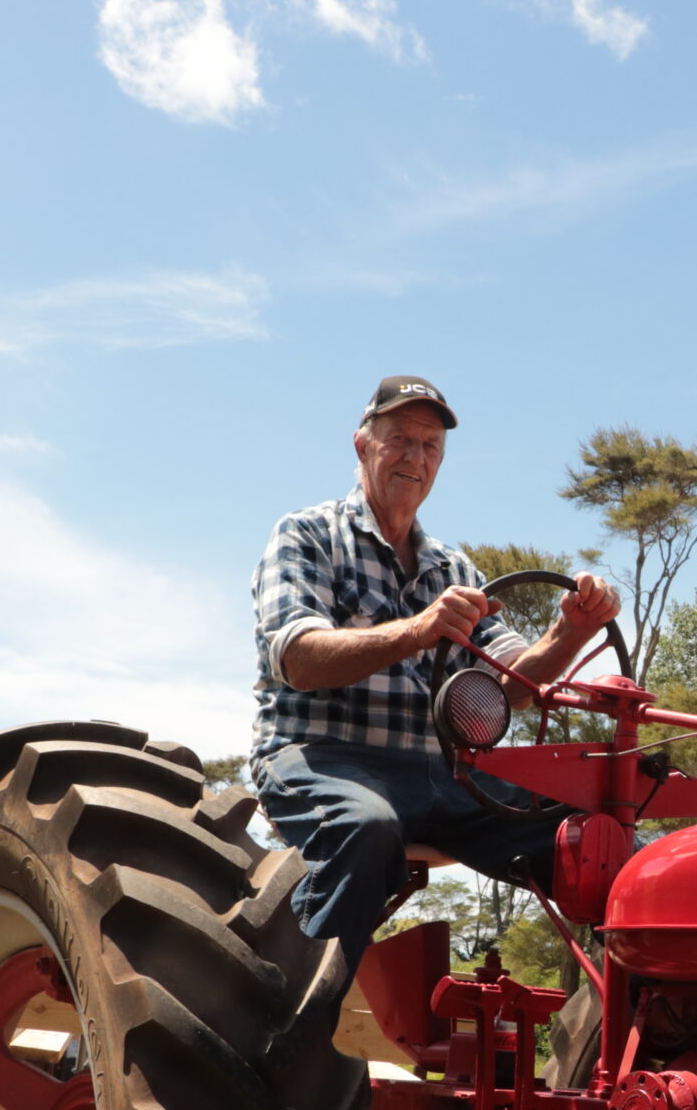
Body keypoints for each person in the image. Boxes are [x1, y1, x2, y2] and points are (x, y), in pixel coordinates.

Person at [248, 375, 622, 948]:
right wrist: (418, 631)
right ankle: (287, 1021)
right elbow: (298, 659)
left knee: (595, 832)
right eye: (399, 439)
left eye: (429, 447)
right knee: (365, 827)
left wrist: (571, 631)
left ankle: (669, 1011)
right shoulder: (306, 535)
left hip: (443, 777)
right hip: (324, 760)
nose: (414, 458)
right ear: (362, 445)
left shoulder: (453, 568)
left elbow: (513, 686)